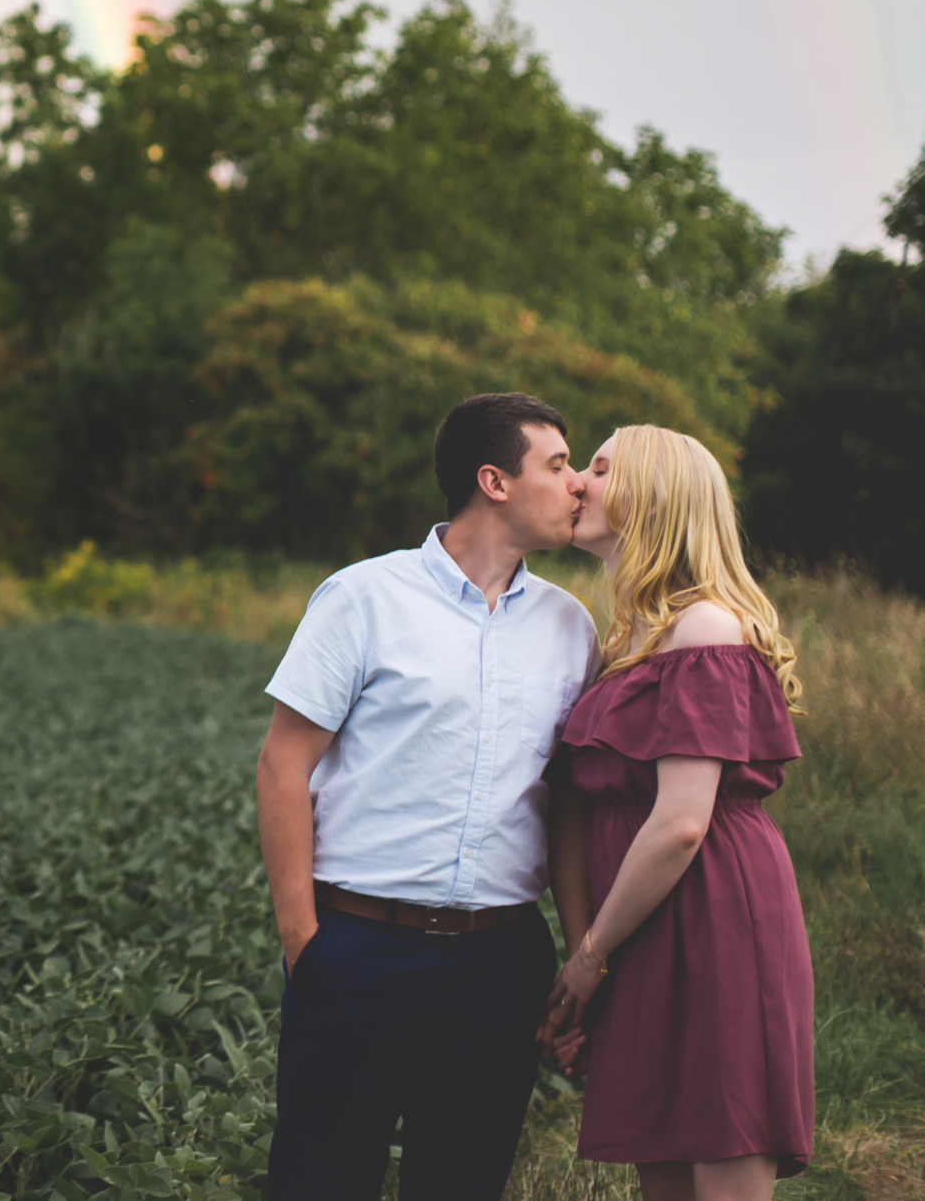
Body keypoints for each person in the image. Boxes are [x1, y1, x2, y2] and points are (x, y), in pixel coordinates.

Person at [255, 391, 598, 1200]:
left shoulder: (572, 626)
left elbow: (570, 804)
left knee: (462, 1184)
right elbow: (281, 765)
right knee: (320, 1180)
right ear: (495, 480)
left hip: (501, 962)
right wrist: (306, 942)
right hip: (361, 948)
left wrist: (582, 956)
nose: (579, 482)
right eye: (557, 464)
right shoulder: (362, 598)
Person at [537, 426, 814, 1197]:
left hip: (715, 911)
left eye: (598, 467)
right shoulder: (627, 639)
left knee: (721, 1146)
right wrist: (590, 940)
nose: (579, 483)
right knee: (660, 1153)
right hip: (642, 917)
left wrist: (590, 954)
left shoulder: (706, 627)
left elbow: (683, 819)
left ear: (653, 497)